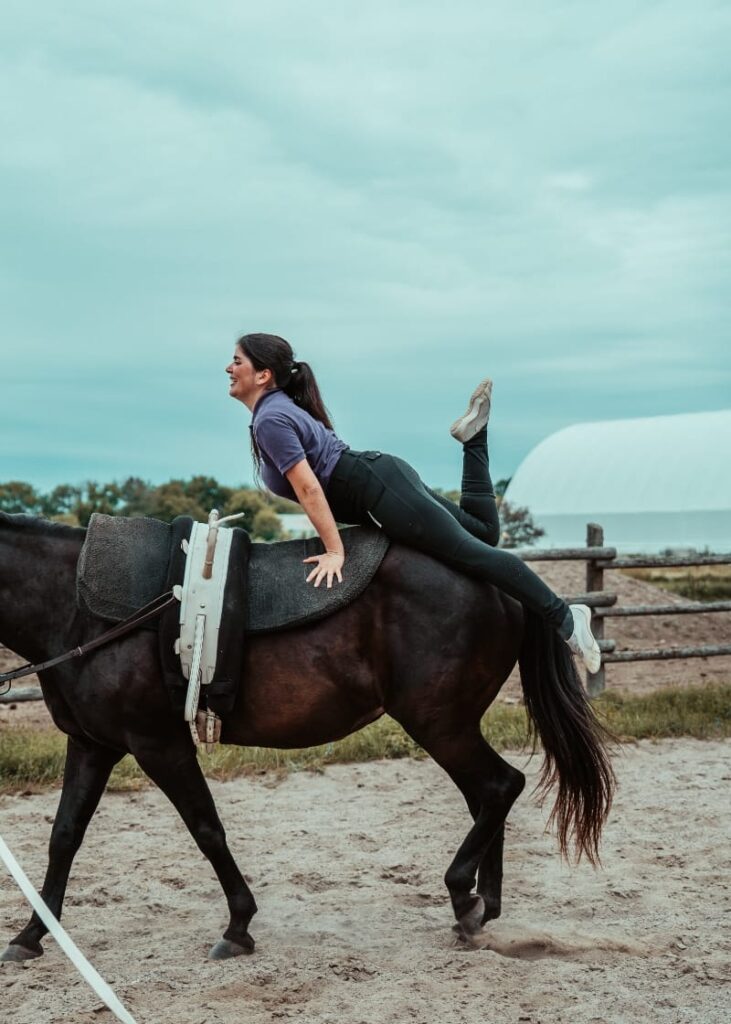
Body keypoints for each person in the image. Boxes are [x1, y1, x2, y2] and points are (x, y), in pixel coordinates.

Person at [226, 332, 601, 673]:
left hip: (378, 490)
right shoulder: (276, 411)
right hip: (382, 478)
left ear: (264, 374)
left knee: (473, 554)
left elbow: (310, 489)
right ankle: (474, 439)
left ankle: (567, 618)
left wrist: (335, 551)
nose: (230, 368)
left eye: (238, 361)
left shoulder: (270, 418)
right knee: (484, 532)